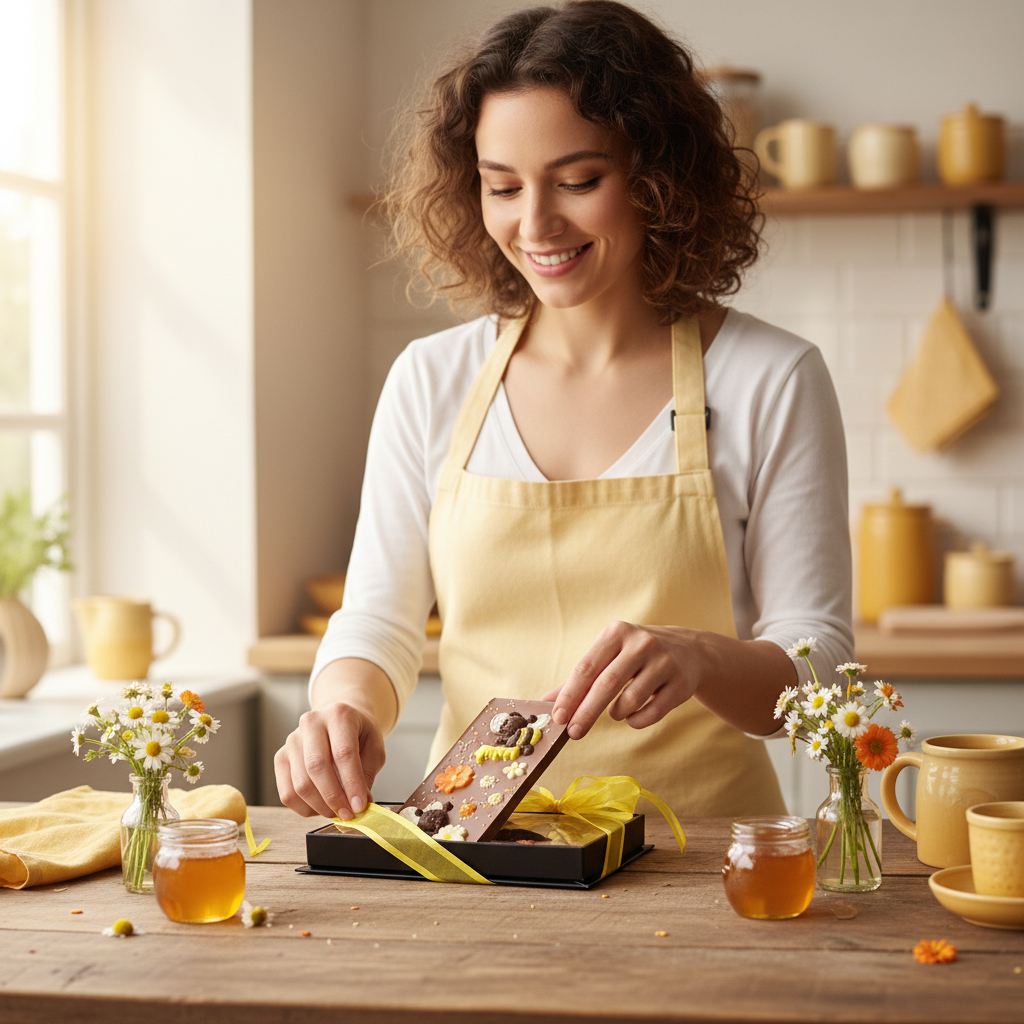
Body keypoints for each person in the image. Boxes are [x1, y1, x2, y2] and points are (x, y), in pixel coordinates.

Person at [275, 0, 853, 822]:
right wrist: (344, 711)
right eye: (502, 186)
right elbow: (378, 621)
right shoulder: (431, 379)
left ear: (658, 175)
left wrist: (704, 658)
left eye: (579, 181)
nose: (536, 224)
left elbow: (821, 665)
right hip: (479, 850)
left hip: (705, 859)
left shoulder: (772, 378)